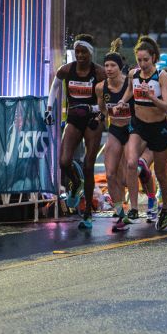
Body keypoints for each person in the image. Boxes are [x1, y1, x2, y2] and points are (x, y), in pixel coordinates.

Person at [46, 35, 106, 227]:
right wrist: (48, 109)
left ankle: (88, 212)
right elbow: (55, 87)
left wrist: (95, 110)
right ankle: (75, 184)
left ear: (90, 53)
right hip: (73, 119)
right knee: (64, 161)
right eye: (77, 51)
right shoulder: (67, 70)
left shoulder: (99, 72)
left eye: (84, 52)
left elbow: (108, 99)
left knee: (89, 166)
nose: (80, 55)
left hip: (93, 120)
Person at [123, 37, 167, 231]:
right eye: (139, 60)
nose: (142, 64)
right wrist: (122, 101)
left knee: (161, 173)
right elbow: (129, 91)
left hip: (158, 127)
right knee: (131, 163)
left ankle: (165, 207)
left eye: (146, 60)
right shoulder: (133, 74)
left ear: (153, 58)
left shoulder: (162, 76)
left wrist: (152, 96)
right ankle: (134, 209)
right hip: (139, 126)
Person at [95, 47, 133, 232]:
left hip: (133, 130)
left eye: (112, 65)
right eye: (106, 65)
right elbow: (102, 108)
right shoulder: (101, 87)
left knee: (126, 177)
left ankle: (150, 199)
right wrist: (102, 117)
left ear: (120, 67)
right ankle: (120, 212)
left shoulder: (130, 83)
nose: (109, 69)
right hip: (116, 130)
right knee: (110, 174)